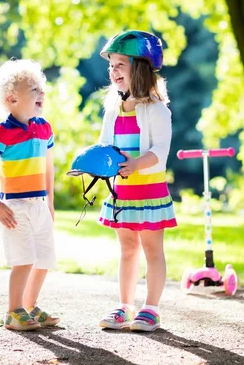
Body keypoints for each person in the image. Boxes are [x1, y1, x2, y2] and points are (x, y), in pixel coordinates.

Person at [96, 30, 177, 332]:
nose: (112, 71)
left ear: (139, 68)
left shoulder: (157, 110)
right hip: (123, 193)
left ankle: (151, 309)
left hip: (150, 192)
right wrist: (91, 165)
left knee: (152, 249)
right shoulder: (112, 110)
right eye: (111, 66)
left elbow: (160, 150)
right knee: (127, 248)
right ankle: (124, 306)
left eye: (119, 65)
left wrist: (135, 164)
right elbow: (105, 146)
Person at [0, 58, 60, 331]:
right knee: (23, 260)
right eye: (34, 89)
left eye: (41, 87)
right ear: (12, 98)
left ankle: (28, 307)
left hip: (39, 204)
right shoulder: (3, 131)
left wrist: (50, 201)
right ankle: (13, 312)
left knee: (44, 260)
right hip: (14, 206)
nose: (42, 93)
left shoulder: (45, 128)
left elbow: (49, 167)